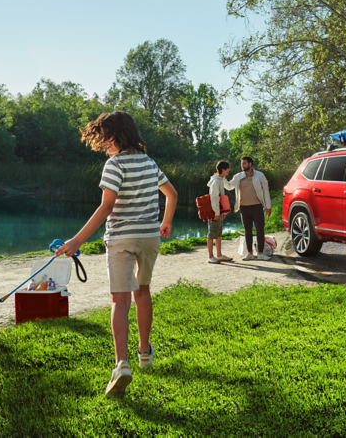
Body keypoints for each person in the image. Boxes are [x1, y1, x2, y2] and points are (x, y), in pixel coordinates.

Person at [54, 110, 178, 398]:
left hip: (121, 237)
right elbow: (171, 193)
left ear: (117, 135)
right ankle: (144, 353)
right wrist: (167, 221)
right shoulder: (149, 162)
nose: (103, 145)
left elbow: (106, 207)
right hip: (149, 237)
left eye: (105, 138)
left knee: (119, 300)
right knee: (143, 291)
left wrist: (77, 240)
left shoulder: (114, 164)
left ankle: (121, 363)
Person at [225, 155, 272, 261]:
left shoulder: (260, 175)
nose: (242, 165)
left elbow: (266, 191)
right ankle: (250, 253)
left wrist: (268, 206)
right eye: (241, 164)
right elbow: (228, 186)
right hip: (244, 208)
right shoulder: (238, 176)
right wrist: (221, 177)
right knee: (247, 231)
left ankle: (260, 253)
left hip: (257, 206)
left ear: (250, 164)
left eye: (244, 163)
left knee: (260, 229)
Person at [206, 161, 233, 264]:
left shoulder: (221, 180)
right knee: (212, 233)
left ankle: (219, 255)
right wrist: (217, 213)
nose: (229, 170)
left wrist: (222, 212)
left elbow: (221, 197)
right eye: (227, 168)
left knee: (218, 233)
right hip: (214, 212)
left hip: (218, 212)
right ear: (223, 170)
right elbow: (214, 198)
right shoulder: (216, 181)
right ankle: (210, 256)